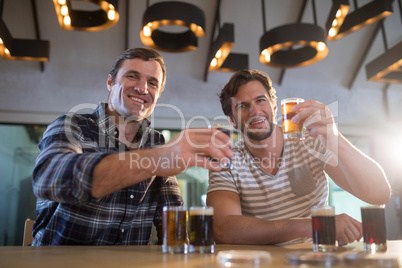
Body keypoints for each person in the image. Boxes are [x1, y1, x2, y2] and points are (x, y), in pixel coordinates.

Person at [32, 47, 233, 246]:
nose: (142, 88)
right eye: (132, 76)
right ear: (110, 82)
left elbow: (172, 218)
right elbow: (47, 180)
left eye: (152, 83)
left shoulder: (155, 142)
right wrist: (156, 158)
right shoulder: (71, 126)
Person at [207, 69, 391, 246]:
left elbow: (379, 194)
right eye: (242, 106)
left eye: (260, 100)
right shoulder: (226, 159)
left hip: (316, 258)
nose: (254, 111)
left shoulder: (312, 142)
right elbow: (223, 229)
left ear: (273, 106)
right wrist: (316, 225)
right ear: (231, 120)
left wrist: (335, 137)